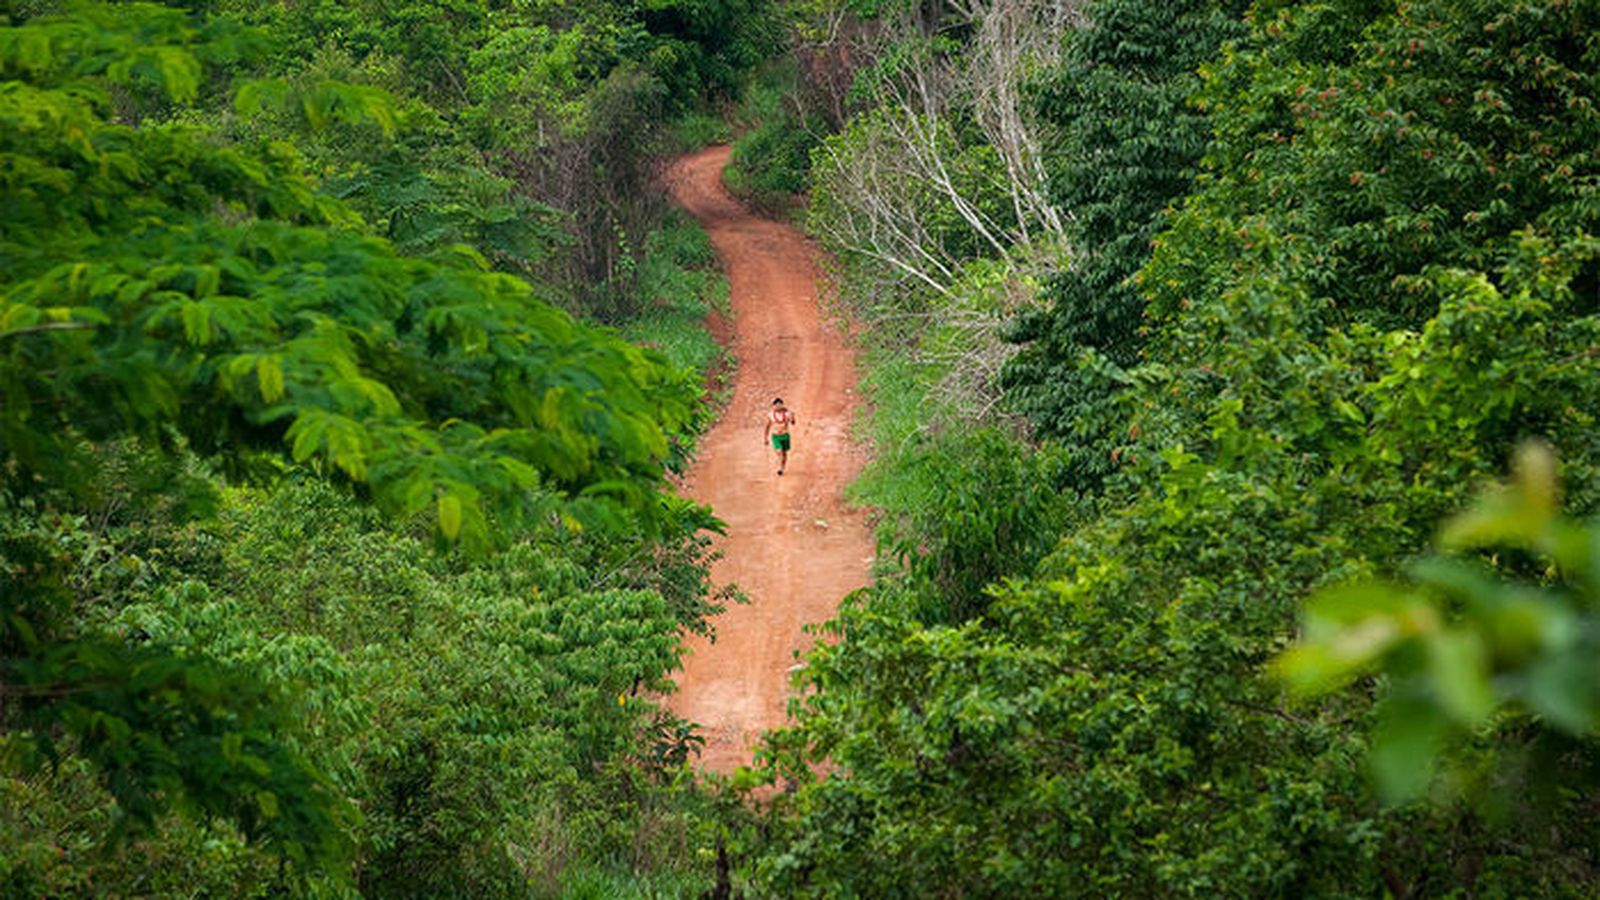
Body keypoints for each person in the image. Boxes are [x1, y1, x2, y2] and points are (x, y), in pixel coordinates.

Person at [764, 397, 796, 475]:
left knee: (784, 453)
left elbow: (793, 423)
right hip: (776, 436)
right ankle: (779, 467)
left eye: (780, 405)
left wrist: (792, 416)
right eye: (776, 405)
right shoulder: (770, 415)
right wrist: (765, 438)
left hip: (785, 435)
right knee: (779, 451)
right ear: (773, 406)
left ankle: (782, 467)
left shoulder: (786, 414)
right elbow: (767, 426)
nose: (778, 407)